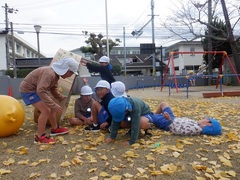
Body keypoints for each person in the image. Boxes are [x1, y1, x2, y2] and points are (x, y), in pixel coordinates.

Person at [19, 57, 79, 144]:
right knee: (46, 110)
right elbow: (41, 90)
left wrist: (60, 97)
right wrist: (53, 105)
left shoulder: (55, 75)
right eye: (71, 73)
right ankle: (40, 137)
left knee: (51, 107)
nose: (71, 75)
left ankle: (55, 129)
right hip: (28, 91)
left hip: (36, 90)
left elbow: (53, 89)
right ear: (66, 70)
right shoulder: (49, 73)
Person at [142, 102, 222, 136]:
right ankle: (154, 117)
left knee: (149, 114)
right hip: (172, 118)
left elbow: (177, 130)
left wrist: (169, 120)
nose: (203, 119)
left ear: (208, 124)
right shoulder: (196, 125)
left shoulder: (195, 129)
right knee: (163, 104)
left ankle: (151, 118)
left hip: (167, 122)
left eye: (206, 119)